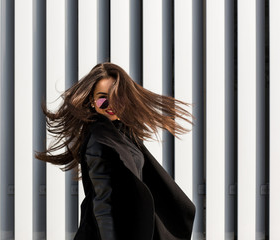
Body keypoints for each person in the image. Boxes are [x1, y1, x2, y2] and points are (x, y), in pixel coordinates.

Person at [35, 62, 196, 240]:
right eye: (103, 98)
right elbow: (103, 206)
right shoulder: (99, 140)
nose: (111, 104)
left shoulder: (123, 134)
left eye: (118, 97)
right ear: (92, 101)